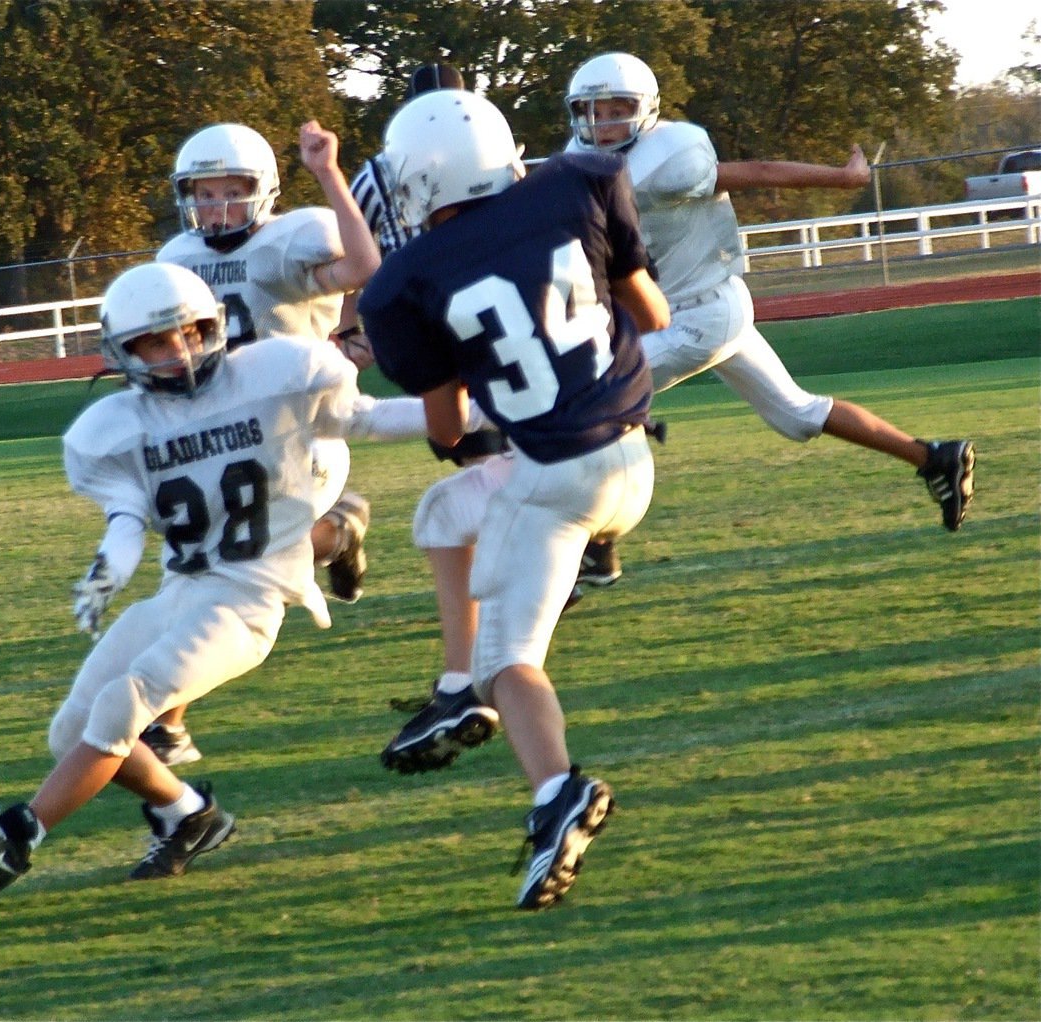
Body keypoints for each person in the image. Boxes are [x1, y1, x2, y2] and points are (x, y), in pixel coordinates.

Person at [380, 51, 977, 777]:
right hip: (682, 310)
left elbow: (750, 171)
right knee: (797, 414)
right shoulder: (579, 164)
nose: (604, 124)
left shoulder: (671, 156)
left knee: (580, 398)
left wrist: (841, 179)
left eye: (617, 110)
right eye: (592, 111)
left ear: (648, 109)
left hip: (699, 312)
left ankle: (595, 550)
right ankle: (934, 456)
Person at [0, 259, 443, 906]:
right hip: (181, 590)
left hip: (249, 598)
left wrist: (477, 410)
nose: (178, 353)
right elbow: (127, 519)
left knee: (123, 705)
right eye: (156, 342)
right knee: (70, 733)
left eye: (189, 332)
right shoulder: (118, 427)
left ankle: (16, 837)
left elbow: (368, 418)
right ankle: (187, 814)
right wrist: (109, 568)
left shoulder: (273, 373)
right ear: (124, 352)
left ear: (214, 326)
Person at [358, 90, 672, 909]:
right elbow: (652, 313)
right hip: (632, 460)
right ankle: (457, 689)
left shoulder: (401, 285)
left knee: (507, 665)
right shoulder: (581, 182)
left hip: (553, 481)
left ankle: (557, 793)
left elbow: (446, 426)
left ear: (420, 182)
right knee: (449, 513)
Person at [145, 118, 382, 765]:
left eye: (233, 191)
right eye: (205, 193)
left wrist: (328, 173)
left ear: (263, 191)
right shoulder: (178, 259)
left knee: (222, 568)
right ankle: (338, 533)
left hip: (300, 439)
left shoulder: (288, 242)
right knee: (197, 569)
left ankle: (167, 724)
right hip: (218, 441)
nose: (218, 207)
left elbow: (364, 266)